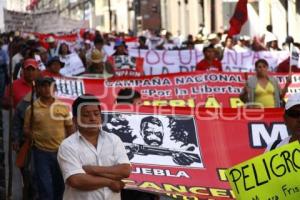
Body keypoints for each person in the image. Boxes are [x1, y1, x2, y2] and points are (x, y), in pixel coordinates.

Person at [57, 94, 131, 200]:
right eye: (86, 115)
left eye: (96, 114)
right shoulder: (67, 145)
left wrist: (92, 170)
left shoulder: (114, 140)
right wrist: (110, 182)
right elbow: (76, 180)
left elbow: (125, 170)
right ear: (75, 120)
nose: (93, 118)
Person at [23, 77, 74, 200]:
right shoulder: (32, 108)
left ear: (55, 89)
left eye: (50, 86)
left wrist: (69, 146)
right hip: (41, 153)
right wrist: (33, 137)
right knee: (44, 186)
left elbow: (69, 128)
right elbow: (26, 129)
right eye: (44, 86)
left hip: (61, 152)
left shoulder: (63, 107)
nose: (47, 89)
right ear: (38, 89)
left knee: (60, 185)